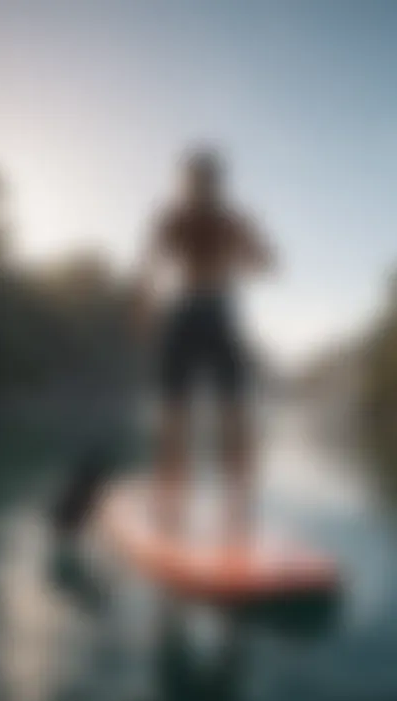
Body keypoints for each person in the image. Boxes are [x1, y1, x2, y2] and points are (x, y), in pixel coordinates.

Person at [135, 146, 275, 543]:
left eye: (204, 179)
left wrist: (248, 248)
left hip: (214, 312)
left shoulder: (227, 220)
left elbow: (262, 264)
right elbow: (149, 268)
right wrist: (145, 313)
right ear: (186, 182)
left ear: (215, 183)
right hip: (188, 312)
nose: (198, 186)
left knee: (233, 414)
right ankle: (172, 503)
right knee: (175, 413)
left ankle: (238, 507)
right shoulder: (173, 219)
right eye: (194, 179)